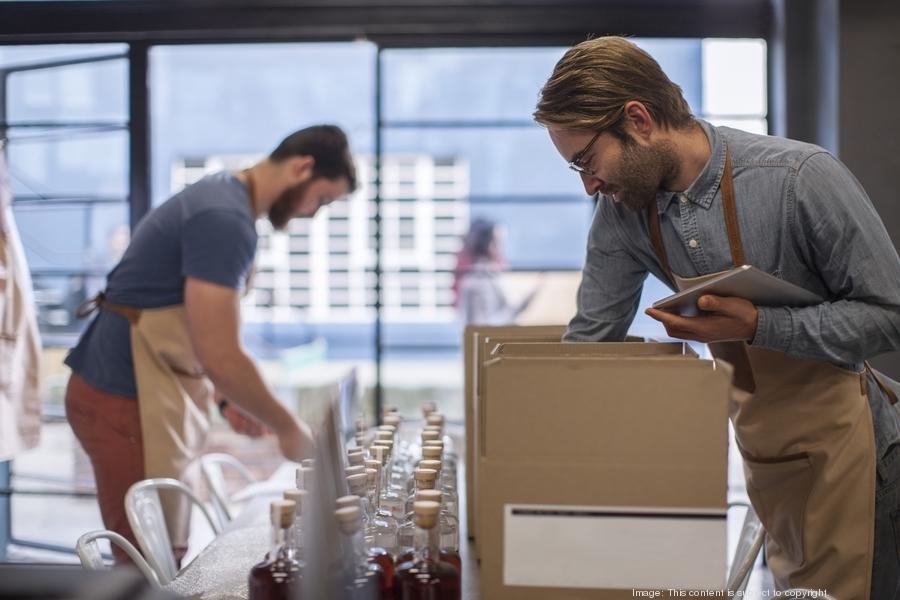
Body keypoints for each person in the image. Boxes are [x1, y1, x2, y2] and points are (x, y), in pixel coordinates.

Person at [534, 37, 900, 599]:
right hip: (768, 455)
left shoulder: (798, 179)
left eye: (586, 159)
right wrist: (539, 470)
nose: (589, 184)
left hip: (861, 455)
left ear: (638, 119)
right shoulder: (622, 216)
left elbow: (889, 315)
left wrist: (758, 325)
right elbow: (589, 343)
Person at [64, 125, 357, 564]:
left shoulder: (225, 197)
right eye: (322, 200)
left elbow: (193, 327)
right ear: (302, 167)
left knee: (168, 546)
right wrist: (288, 427)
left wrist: (227, 399)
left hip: (149, 390)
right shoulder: (225, 219)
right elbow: (220, 354)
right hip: (121, 394)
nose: (314, 214)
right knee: (147, 563)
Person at [453, 218, 539, 325]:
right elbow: (484, 325)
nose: (502, 247)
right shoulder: (479, 280)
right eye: (498, 242)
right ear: (489, 245)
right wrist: (522, 303)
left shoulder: (490, 275)